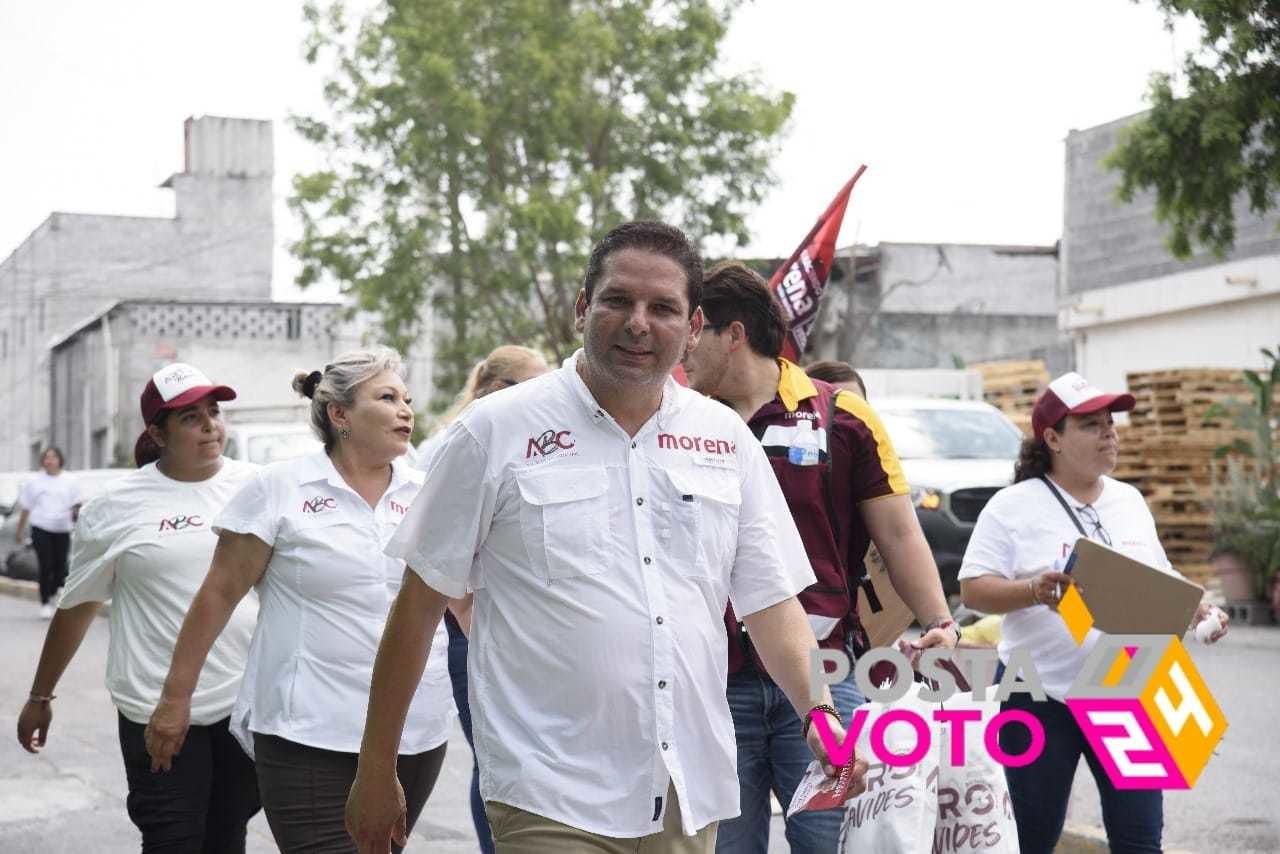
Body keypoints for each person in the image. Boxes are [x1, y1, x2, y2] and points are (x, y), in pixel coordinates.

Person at [346, 221, 869, 854]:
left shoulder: (725, 440)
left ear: (694, 328)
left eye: (663, 308)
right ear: (581, 308)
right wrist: (376, 770)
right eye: (618, 300)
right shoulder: (495, 432)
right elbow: (418, 606)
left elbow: (770, 603)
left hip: (687, 789)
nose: (638, 323)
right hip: (548, 790)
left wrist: (820, 712)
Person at [680, 261, 957, 854]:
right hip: (710, 683)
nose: (681, 344)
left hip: (824, 678)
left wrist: (939, 621)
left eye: (693, 327)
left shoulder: (844, 416)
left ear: (733, 335)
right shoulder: (675, 422)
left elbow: (900, 536)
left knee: (830, 846)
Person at [146, 348, 454, 854]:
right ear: (340, 415)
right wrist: (175, 700)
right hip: (307, 732)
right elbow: (218, 594)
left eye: (407, 399)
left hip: (415, 732)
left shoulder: (428, 494)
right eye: (387, 397)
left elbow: (460, 604)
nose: (406, 410)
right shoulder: (279, 488)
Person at [959, 371, 1229, 854]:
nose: (1110, 433)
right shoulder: (1012, 507)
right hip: (1037, 692)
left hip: (1126, 685)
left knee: (1140, 840)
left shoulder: (1129, 502)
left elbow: (1158, 580)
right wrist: (1032, 590)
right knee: (1031, 838)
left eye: (1110, 423)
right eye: (1091, 425)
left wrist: (1196, 606)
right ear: (1053, 438)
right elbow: (973, 590)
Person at [16, 363, 262, 852]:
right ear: (156, 432)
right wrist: (40, 696)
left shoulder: (258, 486)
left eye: (214, 411)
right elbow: (78, 604)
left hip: (245, 704)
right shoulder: (115, 505)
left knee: (227, 834)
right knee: (172, 838)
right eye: (191, 417)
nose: (211, 425)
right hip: (157, 707)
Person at [417, 344, 549, 854]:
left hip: (521, 629)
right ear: (496, 389)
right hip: (473, 627)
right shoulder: (458, 443)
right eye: (530, 384)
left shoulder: (530, 436)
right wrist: (468, 617)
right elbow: (442, 553)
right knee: (493, 759)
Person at [14, 446, 82, 618]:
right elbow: (26, 508)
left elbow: (77, 505)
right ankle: (44, 602)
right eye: (46, 457)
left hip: (62, 528)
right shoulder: (34, 481)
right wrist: (19, 531)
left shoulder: (70, 480)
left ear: (60, 459)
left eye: (53, 457)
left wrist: (78, 517)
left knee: (61, 568)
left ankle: (52, 593)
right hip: (40, 527)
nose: (49, 460)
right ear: (42, 461)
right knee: (46, 565)